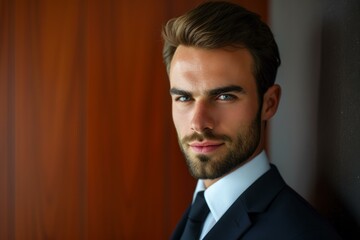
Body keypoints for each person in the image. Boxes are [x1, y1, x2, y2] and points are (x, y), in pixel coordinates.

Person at [162, 1, 341, 240]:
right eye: (184, 97)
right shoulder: (200, 209)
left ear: (269, 103)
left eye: (224, 96)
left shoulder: (301, 233)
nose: (198, 123)